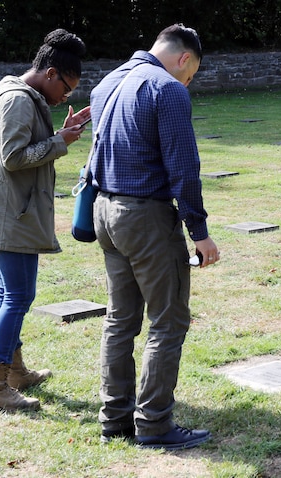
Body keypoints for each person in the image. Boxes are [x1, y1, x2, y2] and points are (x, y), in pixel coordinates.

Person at [88, 24, 219, 449]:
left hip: (105, 211)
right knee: (168, 319)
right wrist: (199, 232)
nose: (190, 81)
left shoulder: (107, 83)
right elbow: (184, 166)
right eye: (192, 73)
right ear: (184, 59)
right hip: (145, 217)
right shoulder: (167, 89)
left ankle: (115, 419)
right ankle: (155, 424)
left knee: (119, 318)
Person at [0, 28, 91, 411]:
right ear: (52, 73)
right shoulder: (19, 101)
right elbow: (14, 158)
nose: (65, 97)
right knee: (19, 295)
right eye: (67, 88)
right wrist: (61, 143)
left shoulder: (23, 97)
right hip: (11, 214)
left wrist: (61, 133)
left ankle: (15, 372)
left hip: (9, 210)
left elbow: (21, 150)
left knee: (10, 294)